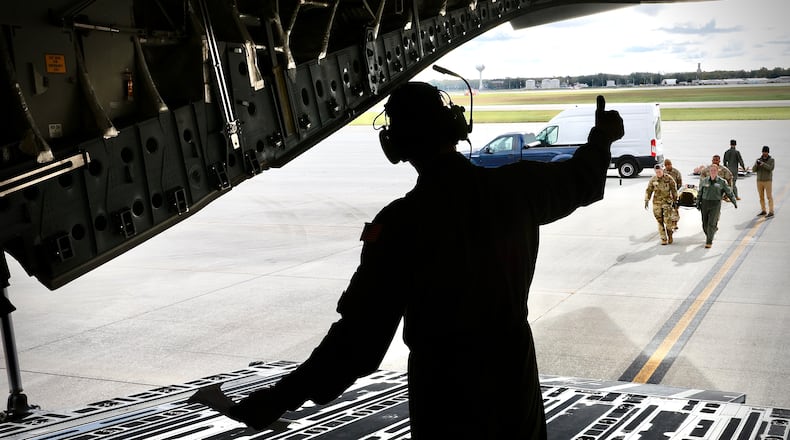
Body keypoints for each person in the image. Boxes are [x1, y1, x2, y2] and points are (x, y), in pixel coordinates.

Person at [189, 83, 625, 439]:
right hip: (513, 378)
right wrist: (601, 137)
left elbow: (357, 342)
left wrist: (278, 398)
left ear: (395, 144)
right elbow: (582, 180)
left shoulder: (399, 225)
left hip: (446, 390)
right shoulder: (518, 189)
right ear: (454, 128)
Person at [697, 164, 737, 248]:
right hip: (705, 204)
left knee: (711, 223)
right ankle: (711, 233)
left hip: (715, 204)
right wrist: (698, 203)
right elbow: (700, 192)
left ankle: (709, 241)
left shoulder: (722, 182)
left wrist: (734, 201)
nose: (713, 172)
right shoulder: (704, 181)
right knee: (705, 224)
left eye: (715, 170)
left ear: (717, 171)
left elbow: (729, 192)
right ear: (709, 172)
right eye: (711, 170)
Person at [645, 164, 678, 245]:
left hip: (667, 202)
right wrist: (646, 199)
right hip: (657, 203)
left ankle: (670, 235)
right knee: (659, 221)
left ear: (662, 170)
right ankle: (663, 238)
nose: (658, 173)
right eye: (657, 172)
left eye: (659, 171)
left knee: (667, 220)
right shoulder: (653, 180)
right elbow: (649, 190)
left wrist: (675, 200)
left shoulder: (668, 178)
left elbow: (674, 189)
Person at [754, 145, 775, 218]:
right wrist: (757, 165)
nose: (764, 153)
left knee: (769, 196)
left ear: (768, 152)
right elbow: (754, 170)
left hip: (768, 181)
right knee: (761, 196)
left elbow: (770, 168)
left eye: (766, 152)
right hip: (759, 181)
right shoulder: (758, 159)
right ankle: (763, 210)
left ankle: (771, 211)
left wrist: (763, 164)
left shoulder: (771, 160)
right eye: (763, 152)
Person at [663, 159, 682, 230]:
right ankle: (669, 223)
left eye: (669, 164)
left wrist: (677, 192)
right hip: (666, 194)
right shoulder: (663, 172)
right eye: (666, 165)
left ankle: (675, 223)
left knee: (675, 209)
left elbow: (680, 183)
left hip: (674, 193)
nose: (668, 166)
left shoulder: (676, 172)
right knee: (667, 210)